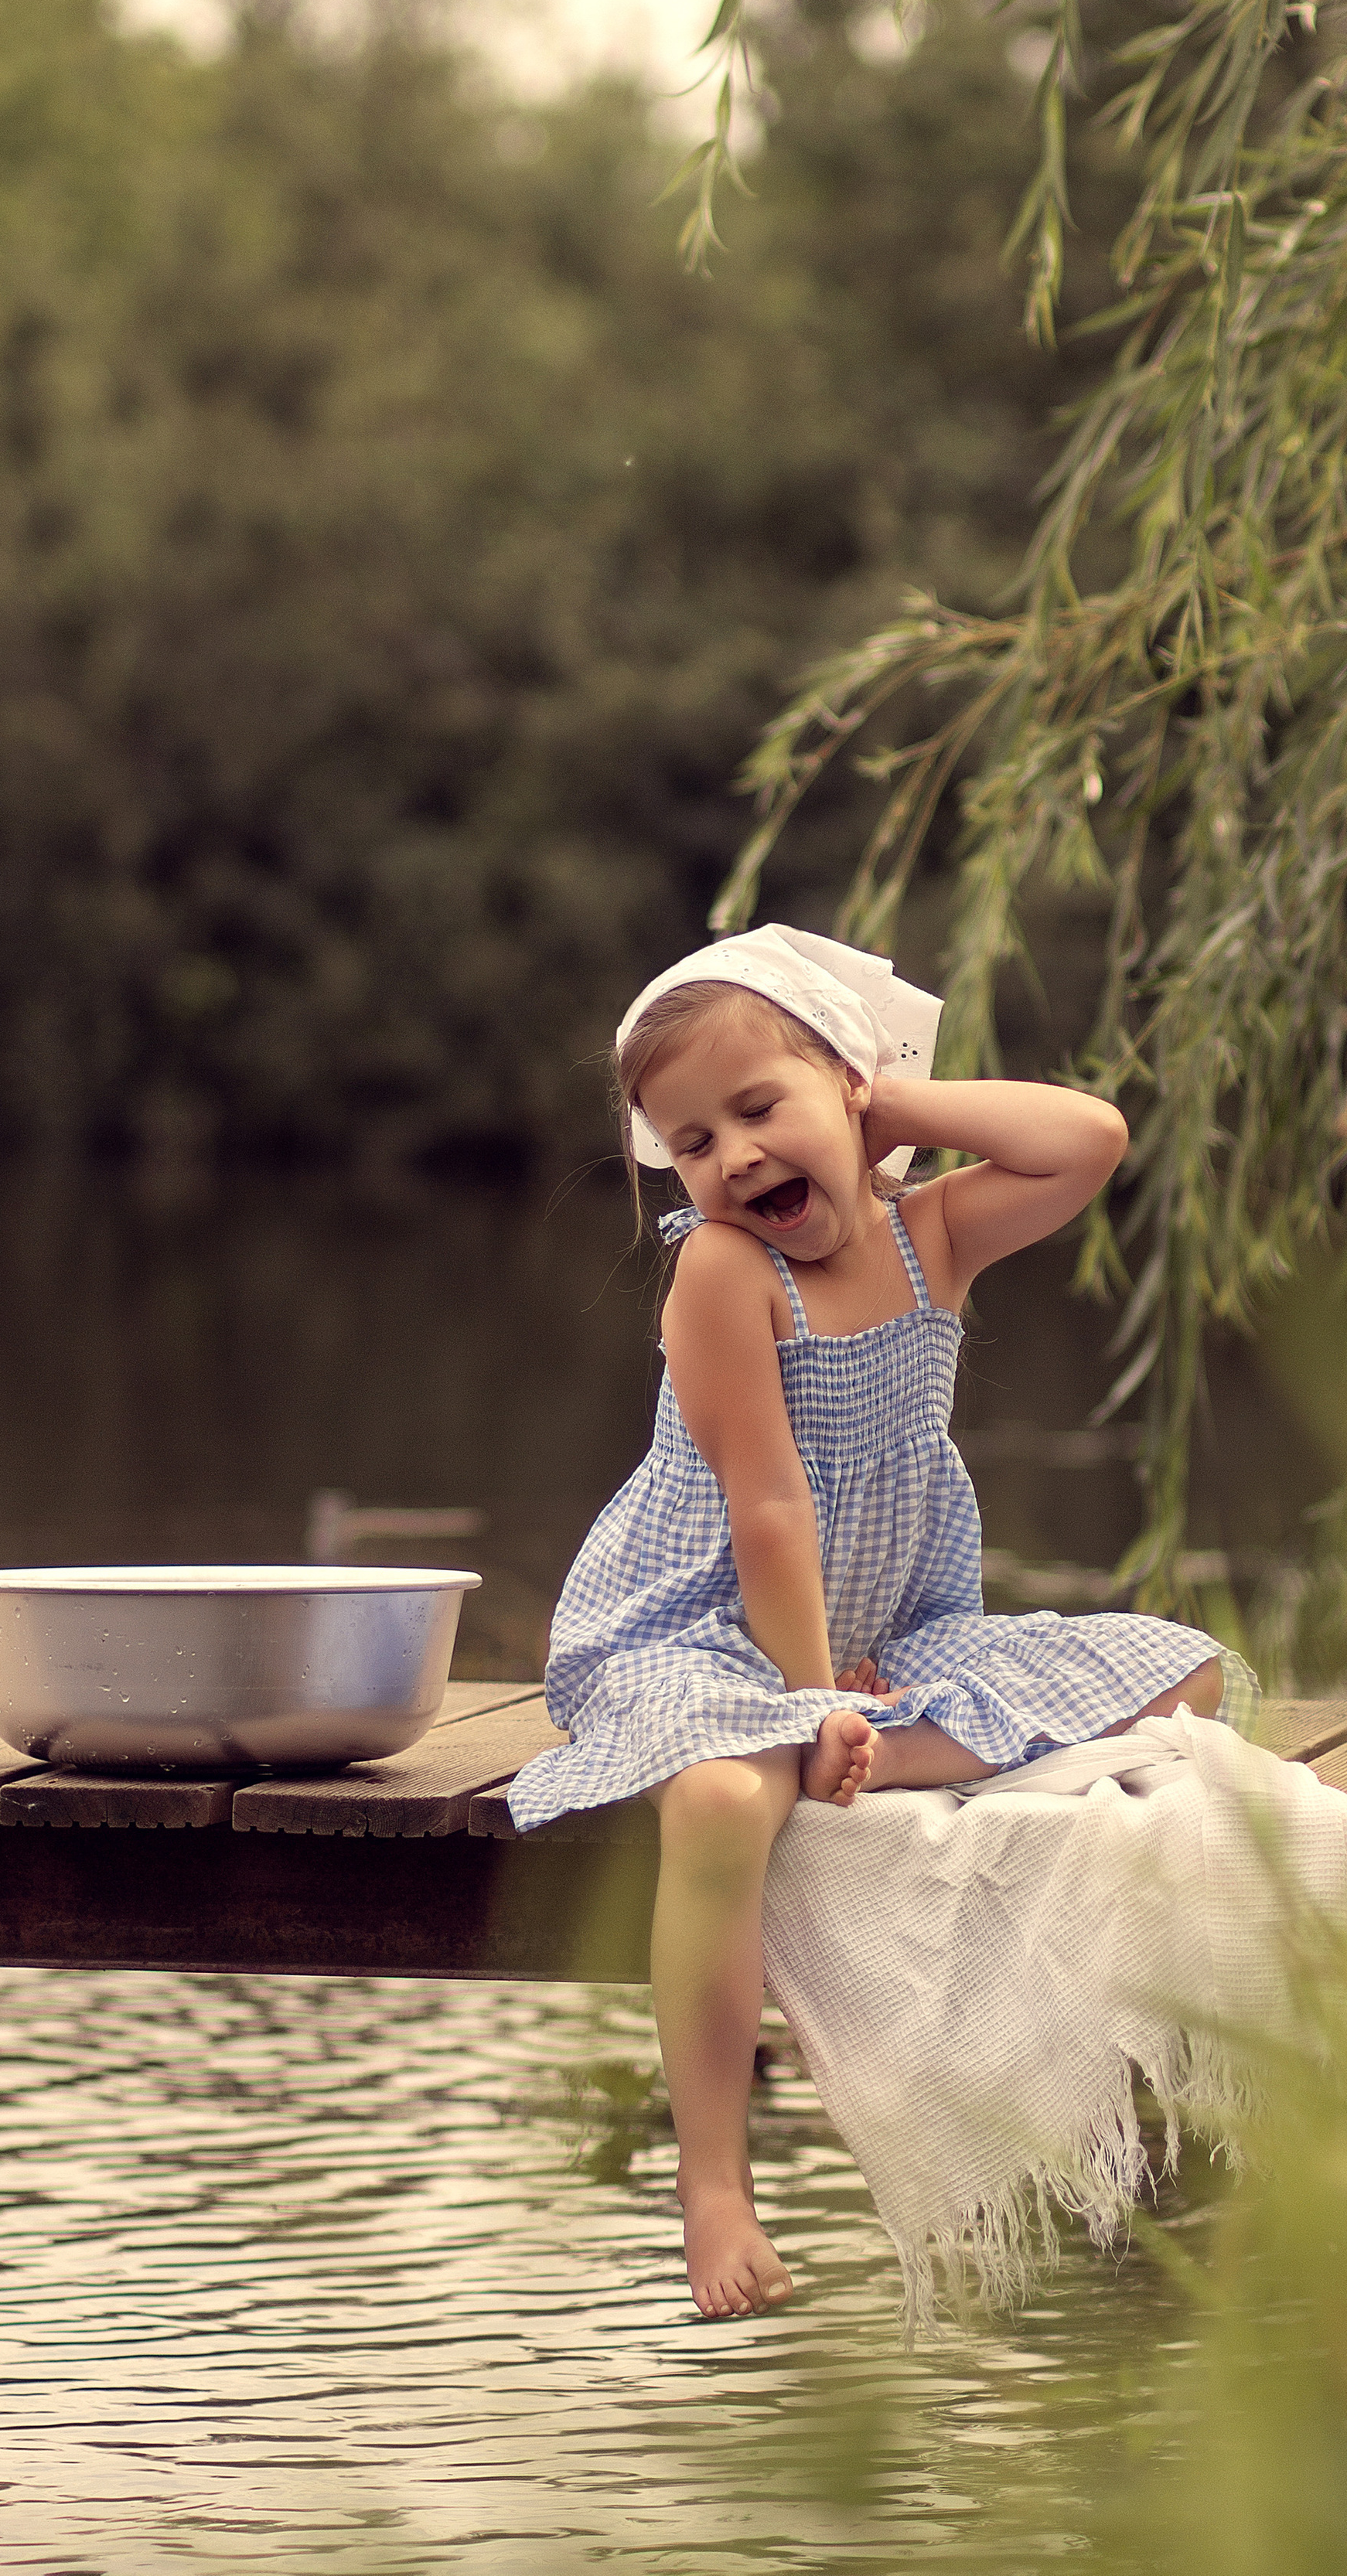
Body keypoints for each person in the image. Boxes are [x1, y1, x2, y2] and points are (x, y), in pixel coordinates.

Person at [506, 926, 1253, 2322]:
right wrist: (804, 1702)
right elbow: (770, 1512)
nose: (728, 1156)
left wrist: (882, 1102)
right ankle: (716, 2185)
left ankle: (873, 1741)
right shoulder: (726, 1272)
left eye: (757, 1108)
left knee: (1186, 1676)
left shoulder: (934, 1236)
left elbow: (1087, 1139)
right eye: (689, 1137)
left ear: (847, 1086)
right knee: (726, 1806)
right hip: (701, 1628)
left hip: (881, 1626)